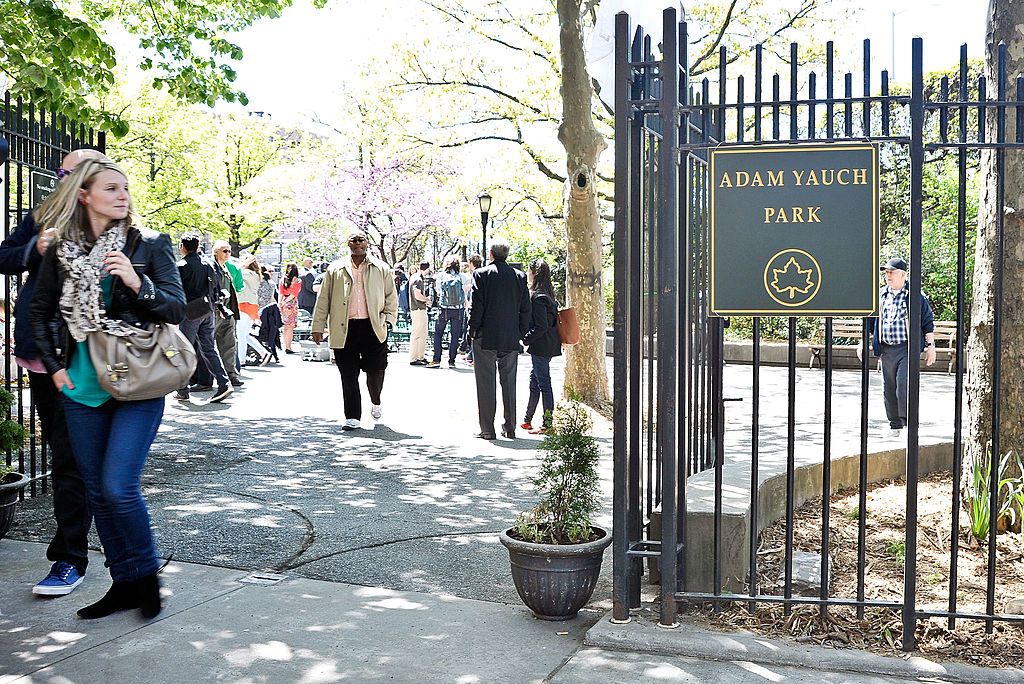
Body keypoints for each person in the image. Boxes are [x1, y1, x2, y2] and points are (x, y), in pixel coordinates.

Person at [29, 156, 186, 620]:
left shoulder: (150, 243)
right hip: (81, 388)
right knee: (97, 492)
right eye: (111, 188)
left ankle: (145, 576)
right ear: (85, 195)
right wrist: (57, 370)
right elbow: (39, 312)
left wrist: (137, 281)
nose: (123, 195)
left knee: (118, 487)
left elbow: (176, 309)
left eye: (125, 188)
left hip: (137, 382)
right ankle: (124, 584)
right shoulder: (61, 249)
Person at [0, 148, 101, 597]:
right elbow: (3, 257)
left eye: (78, 171)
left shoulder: (117, 225)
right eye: (65, 171)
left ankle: (69, 557)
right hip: (44, 357)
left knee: (71, 459)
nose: (69, 178)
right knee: (69, 457)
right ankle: (75, 552)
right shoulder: (43, 216)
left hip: (89, 360)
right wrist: (34, 248)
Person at [311, 230, 398, 430]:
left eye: (361, 240)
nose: (358, 243)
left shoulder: (381, 268)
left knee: (376, 370)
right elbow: (323, 299)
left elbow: (391, 297)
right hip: (344, 327)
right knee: (348, 373)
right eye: (354, 240)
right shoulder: (335, 269)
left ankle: (375, 400)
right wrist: (318, 326)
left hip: (373, 326)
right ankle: (352, 416)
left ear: (367, 243)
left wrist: (389, 321)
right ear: (348, 243)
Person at [865, 257, 936, 438]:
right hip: (886, 349)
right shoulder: (879, 295)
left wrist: (931, 346)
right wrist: (863, 342)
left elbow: (927, 322)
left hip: (907, 348)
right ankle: (894, 425)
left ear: (903, 275)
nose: (887, 275)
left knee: (903, 384)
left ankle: (907, 424)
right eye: (886, 272)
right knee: (888, 387)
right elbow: (869, 322)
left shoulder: (915, 296)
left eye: (891, 272)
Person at [468, 239, 531, 440]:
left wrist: (472, 330)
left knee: (486, 384)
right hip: (510, 336)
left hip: (486, 336)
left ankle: (487, 429)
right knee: (509, 383)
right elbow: (525, 308)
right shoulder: (519, 277)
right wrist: (520, 333)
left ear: (490, 254)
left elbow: (477, 306)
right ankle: (510, 426)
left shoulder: (481, 274)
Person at [174, 235, 232, 403]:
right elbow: (216, 288)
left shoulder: (181, 266)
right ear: (198, 246)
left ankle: (183, 389)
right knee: (209, 348)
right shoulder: (209, 264)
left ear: (182, 246)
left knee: (184, 350)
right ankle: (224, 383)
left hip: (190, 313)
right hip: (208, 310)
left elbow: (176, 292)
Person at [521, 259, 561, 434]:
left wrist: (526, 339)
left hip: (541, 346)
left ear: (534, 273)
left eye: (529, 271)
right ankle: (527, 419)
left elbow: (541, 326)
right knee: (535, 382)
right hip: (549, 344)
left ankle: (547, 424)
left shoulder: (537, 298)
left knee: (543, 383)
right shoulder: (549, 295)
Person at [211, 240, 244, 387]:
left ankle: (232, 375)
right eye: (225, 251)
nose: (228, 254)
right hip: (215, 312)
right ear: (216, 252)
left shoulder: (227, 268)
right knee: (208, 346)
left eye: (229, 251)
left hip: (227, 312)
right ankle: (206, 378)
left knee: (230, 344)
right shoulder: (211, 267)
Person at [427, 255, 465, 368]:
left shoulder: (441, 276)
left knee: (438, 333)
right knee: (455, 335)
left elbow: (438, 291)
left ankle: (436, 359)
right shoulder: (462, 277)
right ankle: (452, 360)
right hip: (458, 309)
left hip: (444, 309)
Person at [236, 255, 261, 367]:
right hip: (251, 306)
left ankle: (241, 360)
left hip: (244, 305)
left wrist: (243, 265)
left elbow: (236, 273)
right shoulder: (255, 275)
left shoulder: (247, 274)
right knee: (244, 335)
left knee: (241, 335)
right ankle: (263, 352)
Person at [407, 261, 432, 366]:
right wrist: (427, 300)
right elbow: (417, 295)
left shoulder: (415, 278)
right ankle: (413, 357)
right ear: (427, 268)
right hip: (418, 309)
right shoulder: (418, 279)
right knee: (417, 333)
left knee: (422, 334)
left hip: (418, 309)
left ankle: (419, 356)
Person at [279, 263, 302, 354]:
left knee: (285, 326)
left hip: (283, 301)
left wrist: (280, 302)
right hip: (291, 303)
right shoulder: (298, 280)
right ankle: (289, 347)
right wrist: (286, 301)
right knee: (290, 326)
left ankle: (286, 346)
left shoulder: (283, 279)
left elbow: (281, 292)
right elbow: (294, 294)